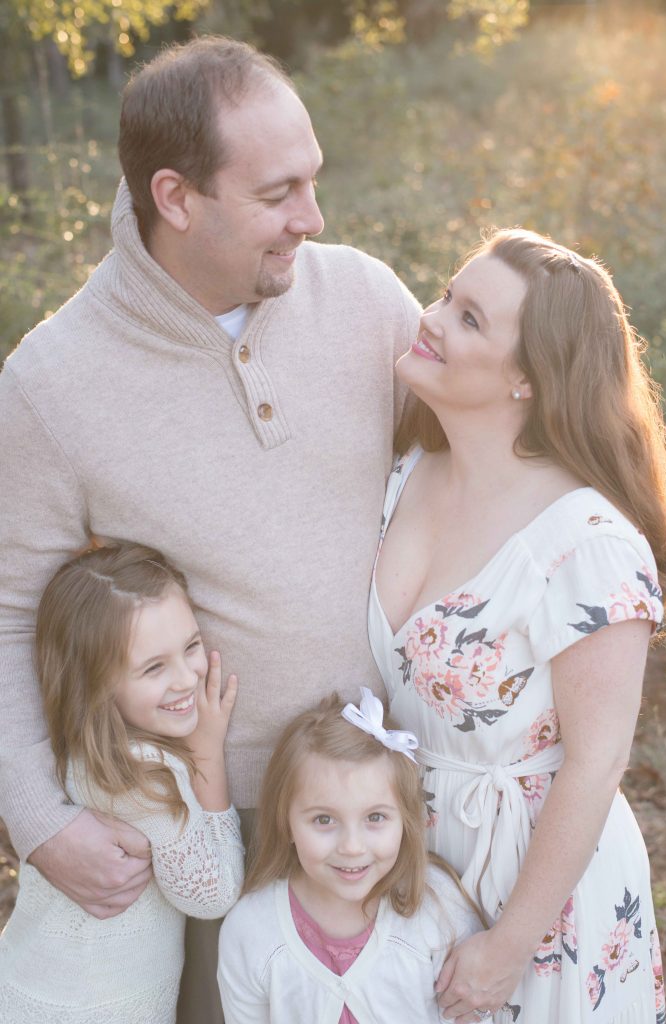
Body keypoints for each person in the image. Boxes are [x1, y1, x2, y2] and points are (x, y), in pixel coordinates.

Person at [0, 35, 420, 1021]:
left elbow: (484, 462)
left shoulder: (361, 297)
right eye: (277, 195)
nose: (311, 220)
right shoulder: (53, 384)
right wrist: (36, 817)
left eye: (311, 182)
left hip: (390, 809)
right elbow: (8, 610)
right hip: (212, 846)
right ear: (177, 198)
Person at [369, 228, 666, 1023]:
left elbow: (597, 759)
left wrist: (509, 945)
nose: (432, 319)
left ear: (528, 381)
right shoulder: (407, 468)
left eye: (470, 319)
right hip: (409, 865)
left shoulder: (588, 542)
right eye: (447, 295)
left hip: (539, 900)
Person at [0, 542, 244, 1021]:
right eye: (154, 667)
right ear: (93, 683)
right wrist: (207, 754)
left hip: (29, 990)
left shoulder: (71, 753)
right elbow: (213, 894)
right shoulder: (143, 778)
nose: (187, 678)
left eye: (191, 647)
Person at [218, 688, 483, 1023]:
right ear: (285, 822)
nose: (352, 847)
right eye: (324, 820)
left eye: (375, 818)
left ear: (406, 819)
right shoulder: (250, 930)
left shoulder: (438, 908)